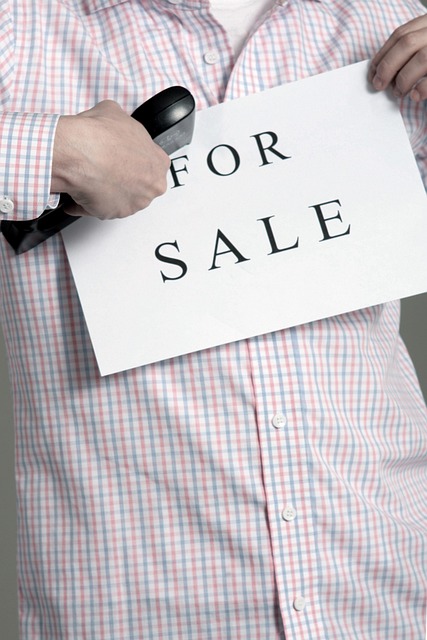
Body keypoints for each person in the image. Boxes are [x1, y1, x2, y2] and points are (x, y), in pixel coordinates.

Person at [1, 1, 427, 638]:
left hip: (386, 593)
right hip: (137, 610)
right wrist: (53, 150)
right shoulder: (20, 24)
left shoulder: (389, 15)